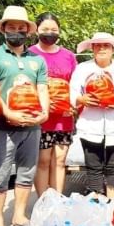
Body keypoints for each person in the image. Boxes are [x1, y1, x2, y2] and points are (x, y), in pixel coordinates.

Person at [0, 6, 49, 226]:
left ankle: (19, 216)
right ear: (4, 30)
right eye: (12, 27)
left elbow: (42, 88)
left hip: (32, 126)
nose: (17, 32)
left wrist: (44, 113)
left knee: (26, 173)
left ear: (28, 31)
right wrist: (8, 112)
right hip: (3, 127)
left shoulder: (37, 60)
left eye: (21, 28)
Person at [70, 31, 114, 199]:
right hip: (90, 125)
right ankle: (95, 200)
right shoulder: (82, 69)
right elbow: (72, 92)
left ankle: (112, 203)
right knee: (93, 166)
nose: (102, 49)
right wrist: (81, 99)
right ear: (92, 48)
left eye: (106, 45)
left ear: (113, 49)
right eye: (98, 45)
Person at [29, 12, 77, 195]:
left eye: (54, 29)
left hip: (64, 119)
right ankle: (43, 201)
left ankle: (56, 199)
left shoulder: (68, 56)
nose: (50, 32)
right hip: (41, 119)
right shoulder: (30, 54)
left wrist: (73, 106)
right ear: (37, 30)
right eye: (45, 29)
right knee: (43, 160)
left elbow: (76, 84)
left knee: (60, 160)